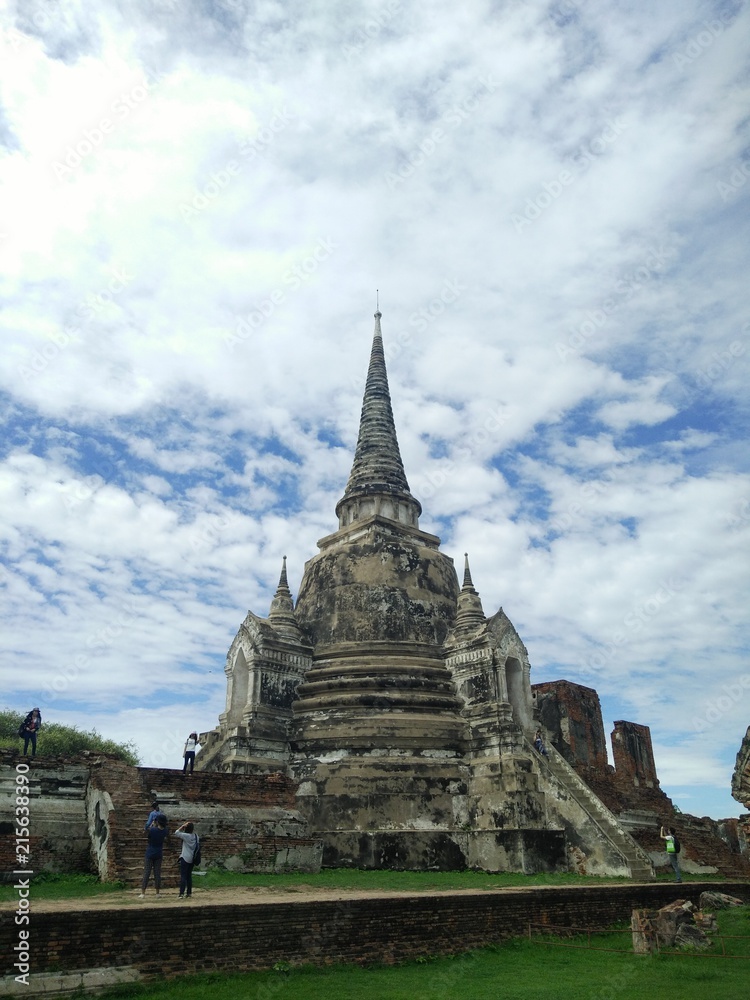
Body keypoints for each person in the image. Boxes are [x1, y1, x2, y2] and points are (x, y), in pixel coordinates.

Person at [139, 815, 168, 899]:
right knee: (157, 873)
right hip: (159, 853)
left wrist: (151, 825)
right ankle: (157, 893)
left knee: (147, 873)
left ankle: (143, 893)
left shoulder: (152, 830)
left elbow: (146, 835)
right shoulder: (165, 830)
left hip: (150, 853)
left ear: (157, 821)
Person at [174, 821, 199, 899]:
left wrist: (182, 826)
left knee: (183, 876)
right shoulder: (196, 836)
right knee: (189, 876)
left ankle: (181, 893)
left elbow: (176, 832)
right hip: (192, 858)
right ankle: (189, 893)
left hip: (185, 857)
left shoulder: (186, 836)